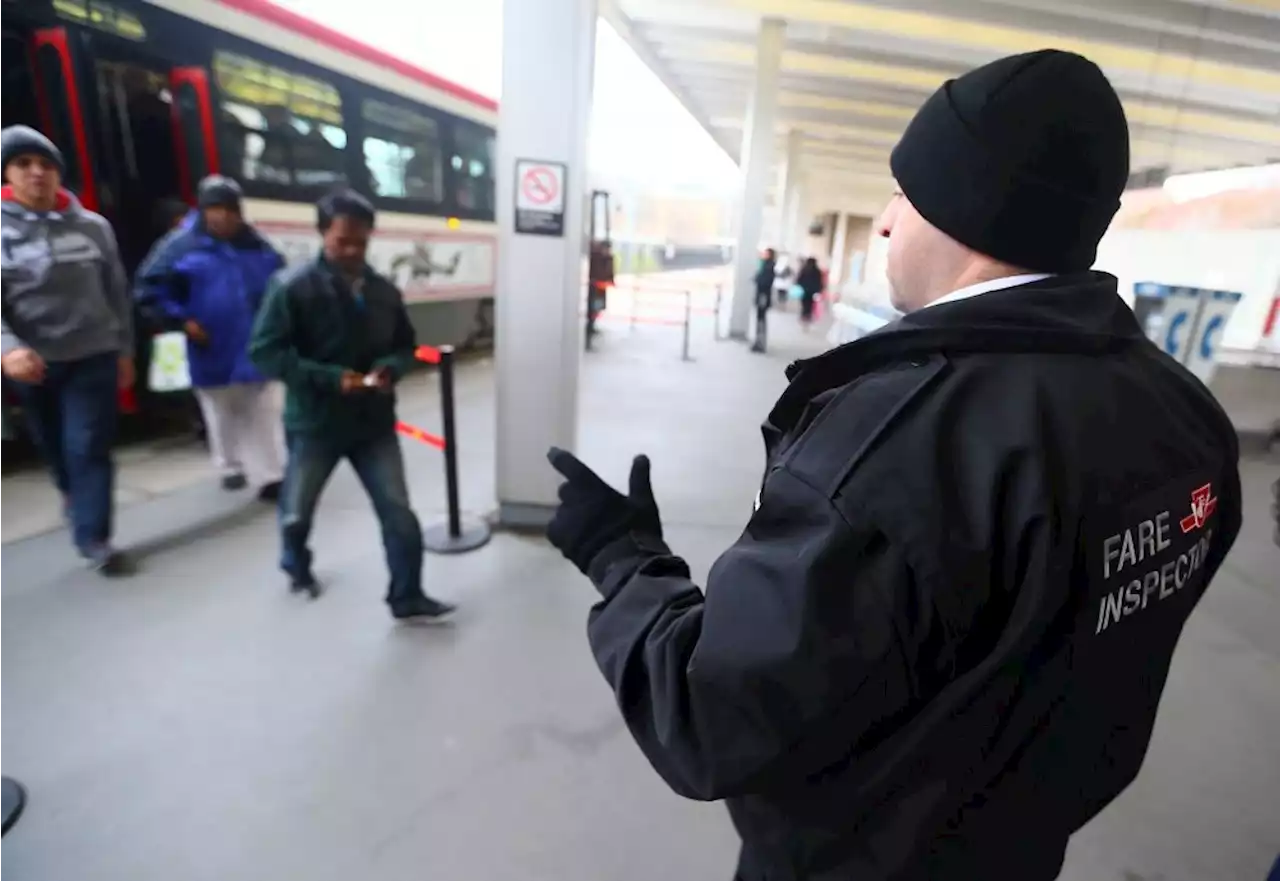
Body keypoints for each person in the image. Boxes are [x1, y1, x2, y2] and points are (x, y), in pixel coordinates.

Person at [543, 49, 1242, 881]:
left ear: (965, 216)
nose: (881, 220)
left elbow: (707, 713)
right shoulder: (1187, 416)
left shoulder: (898, 450)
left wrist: (625, 562)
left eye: (903, 195)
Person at [249, 188, 456, 623]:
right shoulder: (290, 288)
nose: (351, 251)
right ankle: (296, 565)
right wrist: (329, 379)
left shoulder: (383, 291)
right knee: (295, 513)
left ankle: (407, 595)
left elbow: (405, 345)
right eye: (342, 241)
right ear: (323, 234)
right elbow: (265, 353)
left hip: (373, 424)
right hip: (315, 424)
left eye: (361, 242)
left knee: (398, 513)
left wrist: (389, 369)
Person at [0, 125, 135, 574]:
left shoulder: (94, 228)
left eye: (46, 165)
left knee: (88, 445)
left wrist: (125, 352)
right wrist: (7, 350)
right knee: (56, 448)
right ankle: (72, 495)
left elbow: (117, 294)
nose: (37, 173)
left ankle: (94, 536)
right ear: (8, 175)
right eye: (24, 165)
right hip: (33, 364)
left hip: (93, 355)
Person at [135, 175, 286, 500]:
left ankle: (270, 475)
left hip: (253, 341)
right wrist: (180, 319)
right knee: (221, 409)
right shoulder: (179, 246)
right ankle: (229, 465)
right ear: (202, 211)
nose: (222, 217)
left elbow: (279, 282)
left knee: (262, 409)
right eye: (214, 209)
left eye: (229, 209)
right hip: (210, 344)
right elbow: (148, 290)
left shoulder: (256, 245)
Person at [750, 248, 776, 354]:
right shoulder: (767, 266)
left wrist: (757, 279)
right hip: (763, 295)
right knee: (760, 319)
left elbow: (763, 281)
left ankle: (760, 343)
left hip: (763, 296)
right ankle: (759, 341)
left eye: (766, 253)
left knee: (761, 319)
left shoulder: (768, 267)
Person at [795, 255, 823, 328]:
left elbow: (798, 279)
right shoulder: (817, 271)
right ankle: (808, 316)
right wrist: (819, 290)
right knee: (810, 304)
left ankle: (803, 316)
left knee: (804, 304)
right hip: (813, 291)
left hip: (804, 290)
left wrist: (800, 285)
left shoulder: (804, 269)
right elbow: (820, 282)